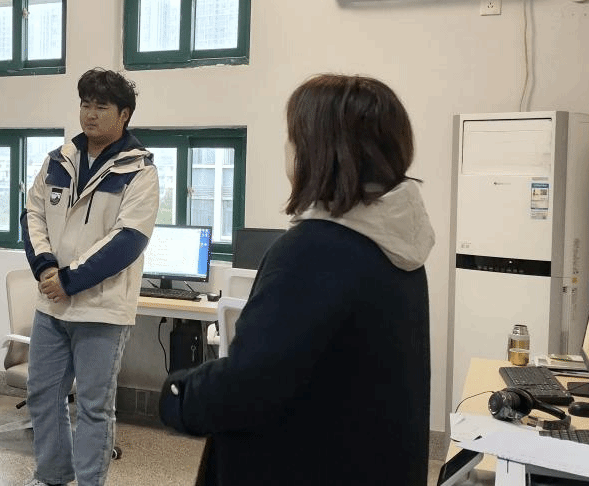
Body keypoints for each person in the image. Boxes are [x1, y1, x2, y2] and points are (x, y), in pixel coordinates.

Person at [158, 74, 434, 485]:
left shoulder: (313, 250)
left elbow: (248, 387)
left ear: (315, 152)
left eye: (291, 138)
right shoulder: (398, 244)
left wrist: (178, 395)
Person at [20, 67, 160, 486]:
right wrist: (46, 267)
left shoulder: (139, 170)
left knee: (94, 407)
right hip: (52, 307)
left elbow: (128, 240)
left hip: (102, 310)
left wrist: (70, 279)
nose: (90, 114)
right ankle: (52, 476)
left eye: (101, 106)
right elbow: (32, 215)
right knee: (43, 396)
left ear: (124, 114)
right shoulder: (58, 161)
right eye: (85, 105)